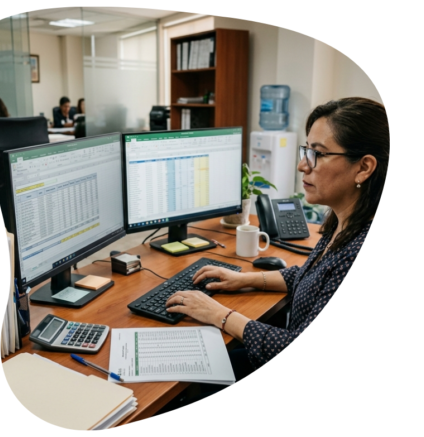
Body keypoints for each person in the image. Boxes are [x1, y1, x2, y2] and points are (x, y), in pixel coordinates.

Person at [165, 97, 389, 380]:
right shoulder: (343, 223)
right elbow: (314, 278)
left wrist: (218, 314)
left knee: (187, 374)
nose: (302, 165)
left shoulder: (359, 250)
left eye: (318, 154)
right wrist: (242, 279)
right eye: (306, 151)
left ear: (364, 167)